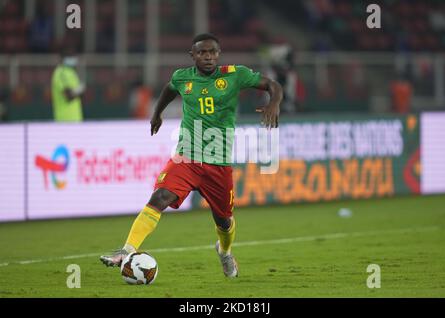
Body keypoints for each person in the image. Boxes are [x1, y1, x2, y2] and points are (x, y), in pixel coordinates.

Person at [100, 33, 283, 278]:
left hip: (218, 162)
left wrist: (274, 103)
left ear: (218, 54)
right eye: (202, 53)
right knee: (160, 197)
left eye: (212, 52)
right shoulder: (182, 77)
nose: (208, 57)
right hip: (186, 158)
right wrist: (157, 114)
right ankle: (127, 250)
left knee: (224, 222)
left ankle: (225, 252)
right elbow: (168, 89)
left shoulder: (234, 74)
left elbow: (273, 85)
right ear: (193, 55)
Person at [51, 48, 85, 122]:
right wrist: (80, 90)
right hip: (64, 120)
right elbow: (68, 95)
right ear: (63, 58)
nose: (73, 59)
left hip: (76, 119)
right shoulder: (60, 73)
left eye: (73, 56)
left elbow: (80, 96)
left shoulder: (72, 72)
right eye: (70, 56)